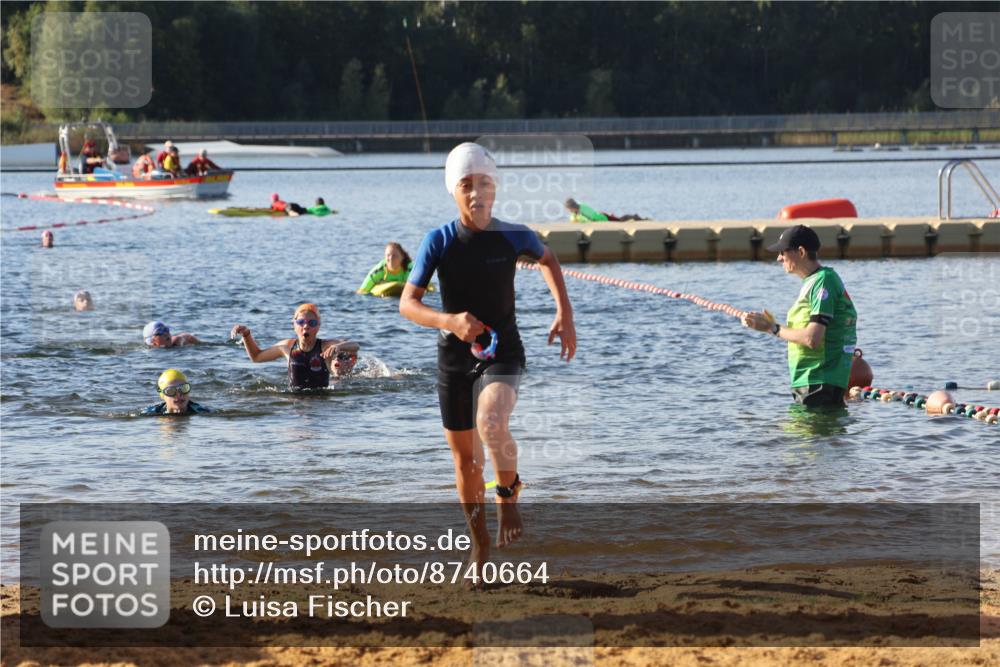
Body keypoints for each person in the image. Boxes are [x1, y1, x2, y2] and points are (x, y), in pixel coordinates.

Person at [400, 143, 576, 572]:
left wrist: (564, 314)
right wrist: (449, 321)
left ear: (495, 188)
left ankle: (508, 495)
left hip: (504, 350)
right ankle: (479, 546)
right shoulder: (438, 241)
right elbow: (407, 304)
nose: (476, 192)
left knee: (491, 421)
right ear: (453, 190)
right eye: (466, 185)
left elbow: (548, 257)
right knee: (465, 462)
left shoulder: (513, 235)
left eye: (484, 183)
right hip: (454, 358)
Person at [740, 224, 858, 408]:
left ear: (801, 252)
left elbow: (812, 338)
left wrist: (771, 328)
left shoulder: (823, 281)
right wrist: (769, 325)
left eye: (783, 252)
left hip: (819, 383)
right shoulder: (815, 281)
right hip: (814, 382)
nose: (779, 258)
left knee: (805, 428)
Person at [230, 303, 360, 390]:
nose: (306, 326)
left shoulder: (325, 346)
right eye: (301, 322)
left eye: (312, 323)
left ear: (318, 327)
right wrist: (246, 335)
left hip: (320, 404)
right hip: (295, 405)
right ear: (294, 325)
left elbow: (355, 346)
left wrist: (339, 346)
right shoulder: (287, 347)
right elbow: (256, 357)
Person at [142, 368, 211, 415]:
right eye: (171, 391)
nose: (179, 394)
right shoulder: (150, 413)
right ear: (163, 395)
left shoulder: (202, 411)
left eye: (184, 388)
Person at [564, 198, 646, 223]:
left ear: (573, 207)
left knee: (621, 220)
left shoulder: (583, 210)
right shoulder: (575, 212)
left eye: (569, 209)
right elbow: (573, 220)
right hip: (601, 216)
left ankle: (635, 217)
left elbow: (591, 220)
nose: (569, 211)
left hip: (603, 218)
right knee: (620, 219)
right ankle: (635, 217)